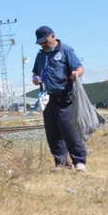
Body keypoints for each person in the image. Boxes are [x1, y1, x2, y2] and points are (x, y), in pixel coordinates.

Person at [31, 25, 87, 172]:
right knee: (52, 133)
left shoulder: (66, 51)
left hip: (64, 97)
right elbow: (35, 74)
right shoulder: (41, 55)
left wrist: (76, 73)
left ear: (53, 36)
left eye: (45, 41)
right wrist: (36, 79)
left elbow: (80, 68)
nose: (44, 44)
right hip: (47, 98)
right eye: (41, 43)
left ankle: (79, 161)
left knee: (69, 131)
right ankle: (61, 163)